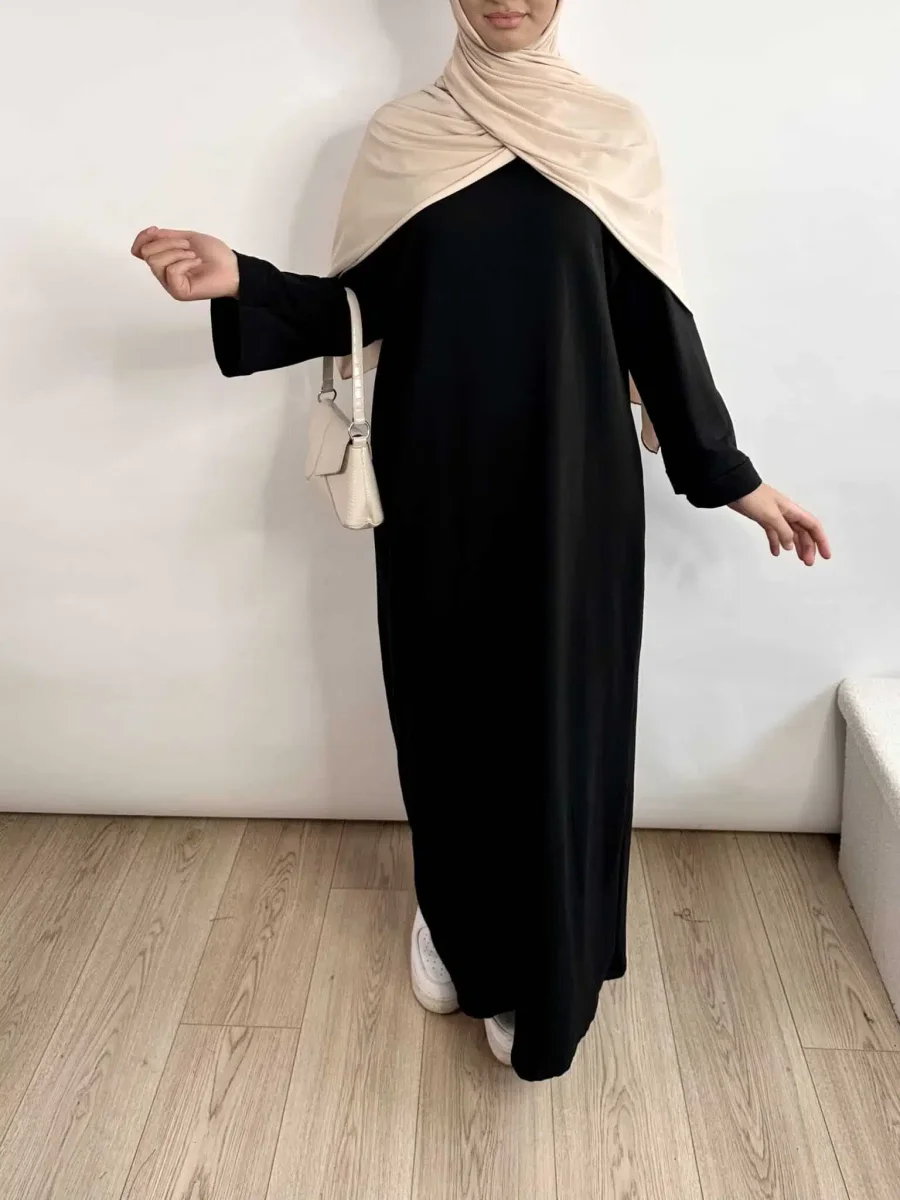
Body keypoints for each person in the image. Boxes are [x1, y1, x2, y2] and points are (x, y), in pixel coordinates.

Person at [131, 0, 830, 1081]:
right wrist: (244, 282)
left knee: (561, 725)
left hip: (575, 493)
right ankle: (454, 923)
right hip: (437, 482)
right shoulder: (404, 136)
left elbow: (655, 323)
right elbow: (360, 306)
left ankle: (549, 974)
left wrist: (734, 478)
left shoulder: (610, 133)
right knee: (448, 715)